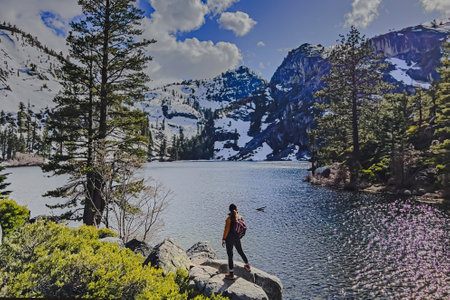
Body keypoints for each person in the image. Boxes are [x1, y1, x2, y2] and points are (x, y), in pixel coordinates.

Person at [222, 203, 251, 279]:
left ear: (229, 210)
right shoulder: (241, 217)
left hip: (229, 239)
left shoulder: (228, 219)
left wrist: (223, 239)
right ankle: (247, 265)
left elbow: (226, 230)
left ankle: (231, 274)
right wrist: (240, 237)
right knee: (240, 251)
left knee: (230, 255)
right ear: (236, 209)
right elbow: (243, 228)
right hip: (237, 238)